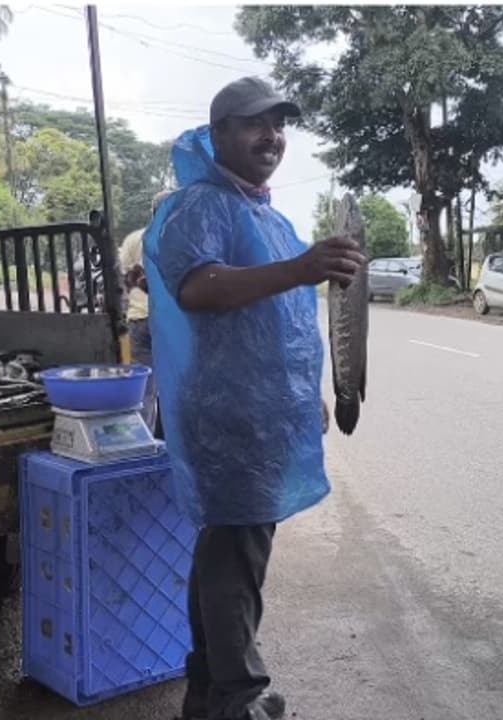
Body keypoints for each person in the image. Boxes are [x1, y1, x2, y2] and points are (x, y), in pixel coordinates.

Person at [143, 77, 364, 720]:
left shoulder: (266, 214)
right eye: (252, 124)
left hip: (266, 411)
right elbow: (200, 288)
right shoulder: (200, 205)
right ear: (218, 136)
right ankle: (238, 695)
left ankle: (211, 690)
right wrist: (302, 267)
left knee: (230, 547)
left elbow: (286, 323)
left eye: (278, 124)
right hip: (225, 413)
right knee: (234, 551)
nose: (271, 136)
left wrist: (309, 396)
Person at [119, 189, 174, 434]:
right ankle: (173, 446)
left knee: (144, 390)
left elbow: (122, 278)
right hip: (170, 322)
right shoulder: (178, 237)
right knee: (175, 385)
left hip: (138, 320)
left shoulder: (135, 239)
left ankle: (145, 441)